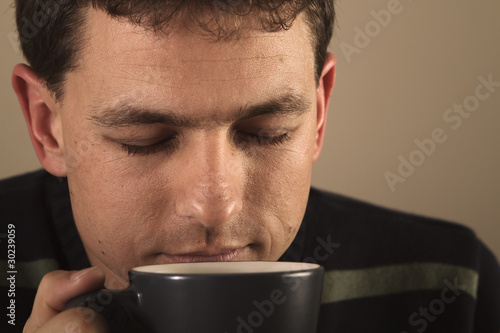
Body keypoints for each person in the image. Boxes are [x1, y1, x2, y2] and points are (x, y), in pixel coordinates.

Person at [1, 1, 498, 332]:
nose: (215, 207)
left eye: (267, 132)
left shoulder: (452, 286)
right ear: (48, 126)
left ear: (319, 112)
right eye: (144, 140)